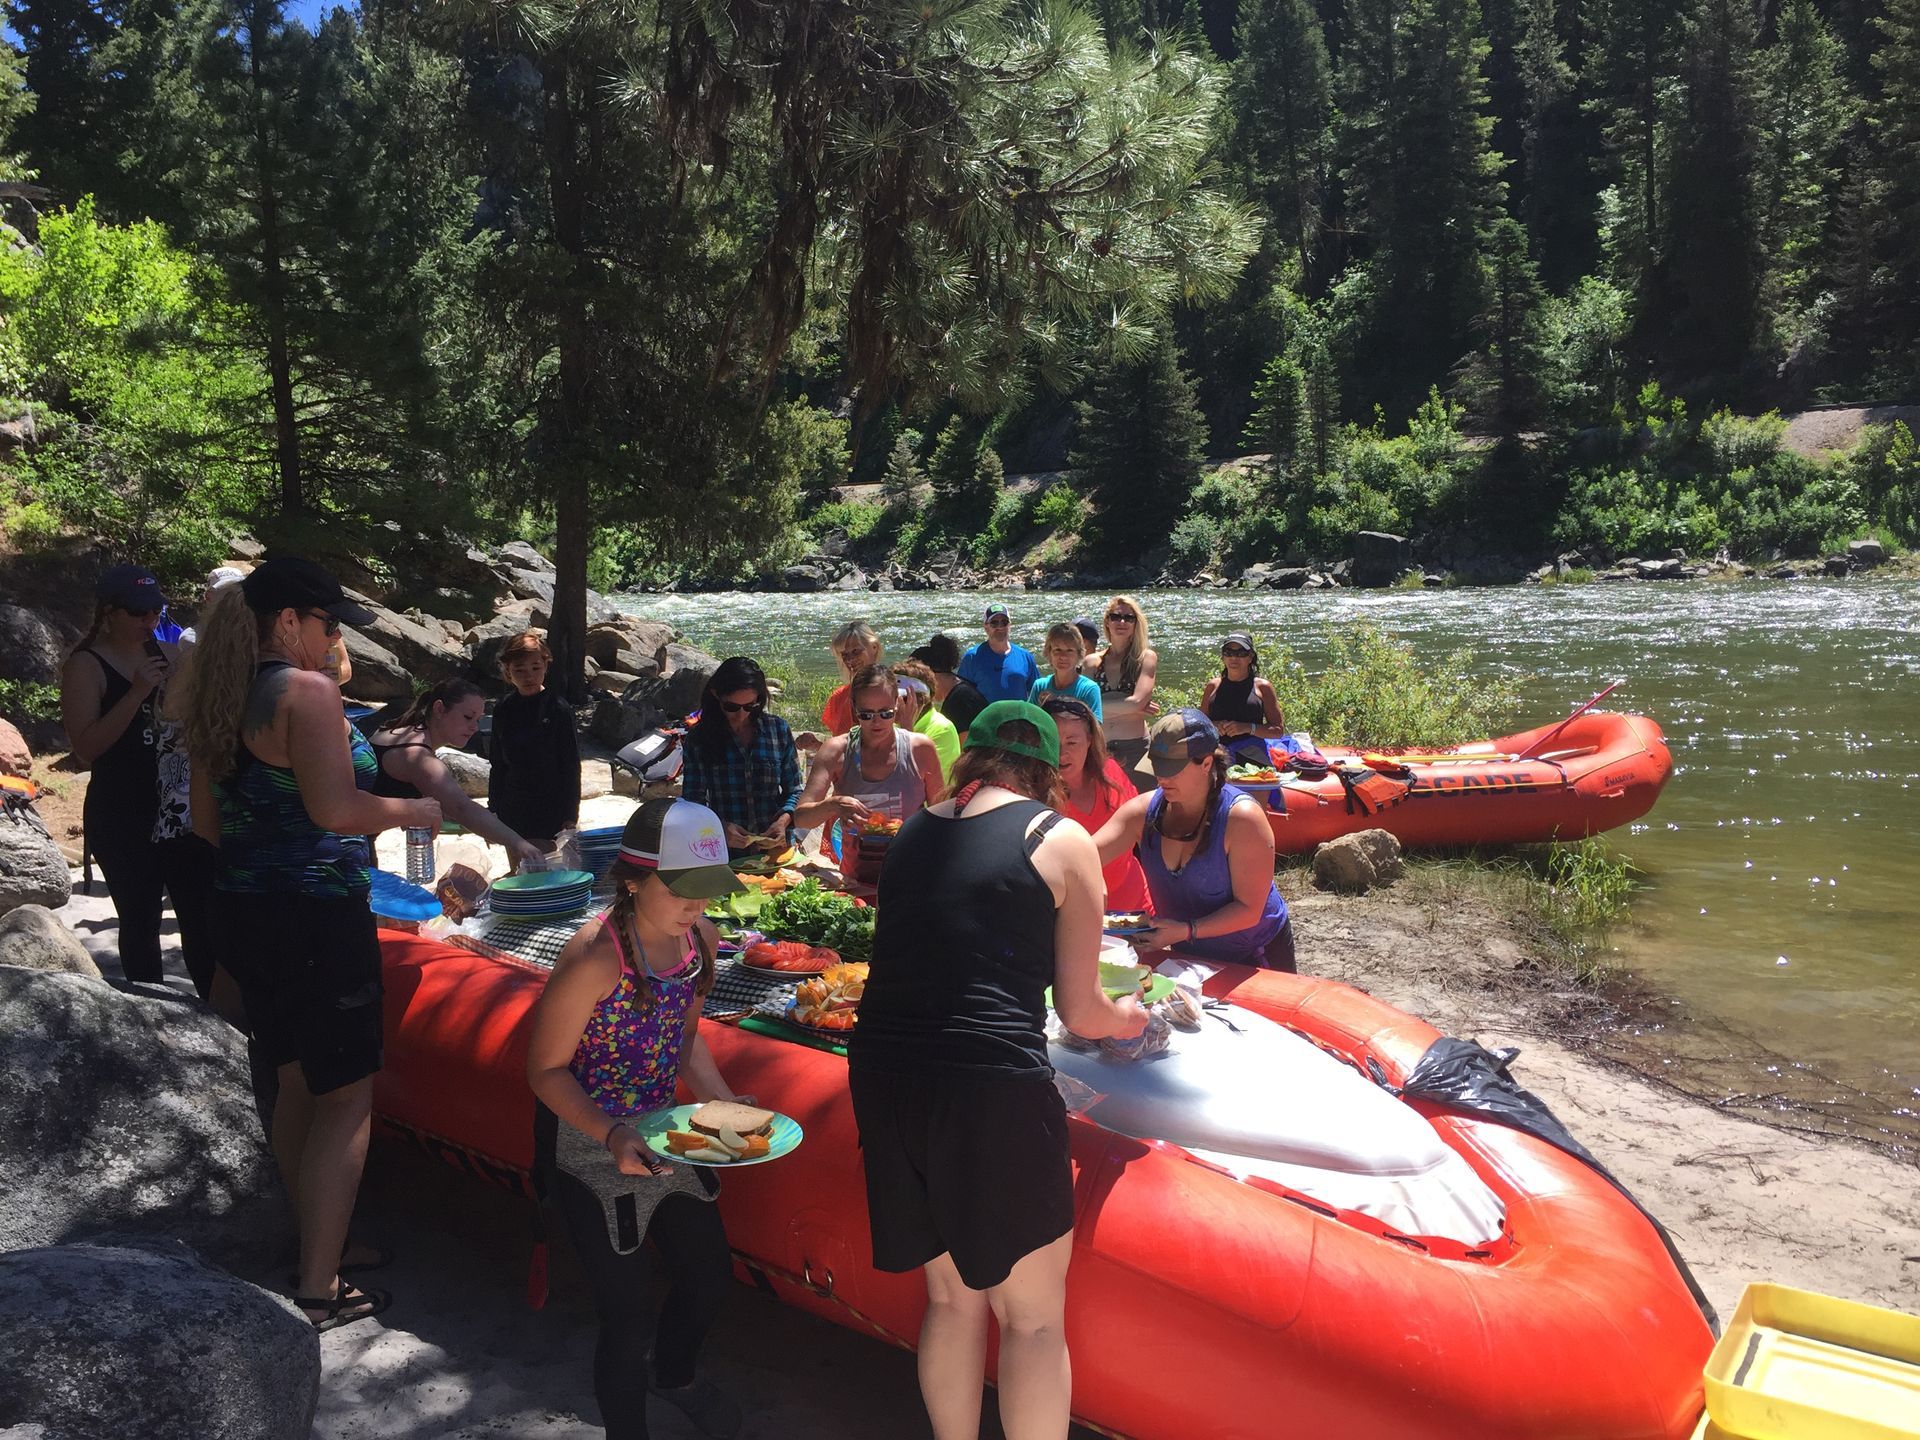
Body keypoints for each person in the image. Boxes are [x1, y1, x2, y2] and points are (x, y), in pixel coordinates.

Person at [848, 701, 1147, 1440]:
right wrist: (1134, 1018)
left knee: (951, 1301)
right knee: (1034, 1319)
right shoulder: (1063, 836)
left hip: (884, 1074)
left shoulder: (917, 831)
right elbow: (1082, 1011)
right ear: (1050, 771)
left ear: (968, 760)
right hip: (986, 1087)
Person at [177, 556, 441, 1330]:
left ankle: (317, 1246)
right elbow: (333, 810)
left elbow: (206, 826)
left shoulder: (218, 697)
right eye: (327, 625)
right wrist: (410, 810)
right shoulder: (307, 692)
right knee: (347, 1095)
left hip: (245, 912)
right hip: (316, 915)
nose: (331, 642)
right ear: (289, 620)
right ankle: (320, 1288)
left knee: (296, 1083)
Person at [526, 798, 750, 1440]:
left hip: (664, 1132)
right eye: (683, 891)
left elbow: (684, 1043)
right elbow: (544, 1071)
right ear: (631, 878)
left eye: (708, 891)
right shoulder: (594, 957)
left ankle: (675, 1376)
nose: (697, 907)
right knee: (627, 1317)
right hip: (588, 1142)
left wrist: (732, 1110)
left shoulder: (699, 940)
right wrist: (612, 1133)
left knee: (708, 1276)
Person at [60, 563, 214, 989]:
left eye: (156, 611)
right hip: (121, 808)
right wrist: (136, 693)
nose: (151, 621)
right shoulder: (86, 666)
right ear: (109, 612)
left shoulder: (165, 654)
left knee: (199, 917)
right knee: (141, 916)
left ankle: (216, 1017)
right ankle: (147, 1014)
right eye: (139, 612)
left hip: (176, 807)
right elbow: (86, 748)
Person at [1093, 709, 1294, 972]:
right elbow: (1083, 856)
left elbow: (1249, 910)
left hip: (1254, 957)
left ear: (1207, 764)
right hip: (1187, 956)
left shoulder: (1243, 819)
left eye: (1172, 769)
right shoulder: (1142, 812)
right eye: (1158, 767)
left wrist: (1186, 930)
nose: (1162, 778)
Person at [368, 679, 544, 868]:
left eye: (478, 720)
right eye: (468, 717)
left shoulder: (397, 730)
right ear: (439, 709)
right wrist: (519, 844)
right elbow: (462, 808)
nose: (474, 728)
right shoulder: (419, 758)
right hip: (346, 846)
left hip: (352, 837)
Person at [793, 664, 944, 883]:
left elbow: (942, 815)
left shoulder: (920, 749)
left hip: (912, 876)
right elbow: (802, 818)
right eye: (866, 714)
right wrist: (834, 805)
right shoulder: (836, 751)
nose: (877, 722)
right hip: (855, 880)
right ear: (854, 708)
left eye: (885, 713)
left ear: (897, 704)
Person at [681, 656, 802, 858]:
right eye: (731, 707)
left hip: (776, 851)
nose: (741, 715)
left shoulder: (778, 729)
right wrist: (719, 827)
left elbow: (795, 790)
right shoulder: (699, 738)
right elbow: (693, 803)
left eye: (749, 706)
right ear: (716, 695)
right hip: (723, 852)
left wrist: (783, 821)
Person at [1041, 696, 1150, 913]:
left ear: (1090, 740)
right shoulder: (1035, 793)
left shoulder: (1110, 771)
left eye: (1072, 742)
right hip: (1074, 913)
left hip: (1136, 904)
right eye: (1053, 742)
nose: (1062, 753)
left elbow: (1142, 828)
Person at [489, 631, 581, 851]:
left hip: (551, 803)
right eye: (519, 670)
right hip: (513, 803)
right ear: (508, 672)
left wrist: (571, 813)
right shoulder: (503, 709)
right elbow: (497, 763)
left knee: (545, 870)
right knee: (518, 873)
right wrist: (493, 809)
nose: (528, 676)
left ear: (546, 667)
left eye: (535, 668)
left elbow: (570, 764)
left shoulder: (558, 709)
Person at [1085, 594, 1158, 787]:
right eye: (1115, 616)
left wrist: (1097, 707)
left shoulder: (1145, 658)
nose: (1122, 622)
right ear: (1107, 622)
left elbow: (1137, 702)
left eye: (1129, 618)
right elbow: (1083, 707)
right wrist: (1131, 708)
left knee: (1141, 811)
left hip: (1135, 750)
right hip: (1100, 750)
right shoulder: (1091, 662)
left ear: (1136, 624)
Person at [1201, 631, 1286, 767]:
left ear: (1250, 657)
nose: (1234, 658)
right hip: (1218, 754)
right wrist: (1215, 726)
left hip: (1252, 756)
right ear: (1223, 657)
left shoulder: (1262, 687)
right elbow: (1200, 726)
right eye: (1229, 653)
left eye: (1241, 653)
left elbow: (1277, 731)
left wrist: (1247, 728)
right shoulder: (1213, 686)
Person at [811, 619, 883, 745]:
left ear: (874, 647)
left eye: (856, 651)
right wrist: (817, 746)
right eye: (844, 654)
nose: (850, 659)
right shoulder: (838, 698)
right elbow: (842, 749)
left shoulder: (893, 692)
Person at [955, 602, 1038, 706]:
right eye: (994, 623)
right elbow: (961, 696)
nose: (1000, 627)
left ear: (1010, 625)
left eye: (1004, 622)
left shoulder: (1026, 657)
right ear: (986, 627)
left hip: (1018, 720)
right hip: (985, 721)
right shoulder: (972, 658)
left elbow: (1036, 696)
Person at [893, 659, 960, 783]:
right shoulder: (888, 722)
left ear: (923, 700)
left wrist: (906, 729)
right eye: (893, 698)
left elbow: (913, 780)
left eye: (905, 699)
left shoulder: (942, 729)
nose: (896, 705)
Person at [909, 633, 988, 738]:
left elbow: (967, 749)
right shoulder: (962, 690)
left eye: (917, 681)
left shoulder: (960, 701)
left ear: (930, 675)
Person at [1027, 622, 1103, 720]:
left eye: (1069, 650)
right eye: (1057, 650)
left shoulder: (1089, 689)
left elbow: (1095, 730)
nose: (1063, 656)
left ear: (1079, 654)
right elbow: (1028, 722)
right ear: (1049, 653)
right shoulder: (1039, 686)